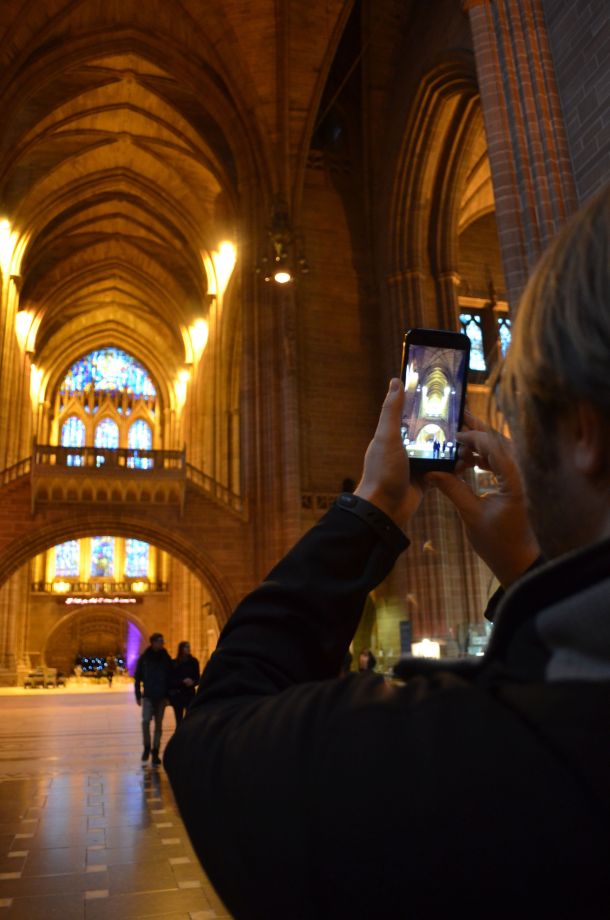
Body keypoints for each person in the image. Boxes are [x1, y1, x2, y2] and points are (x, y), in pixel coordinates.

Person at [165, 187, 610, 918]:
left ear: (585, 432)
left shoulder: (464, 763)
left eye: (520, 399)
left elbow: (213, 735)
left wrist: (372, 508)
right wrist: (534, 572)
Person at [134, 632, 172, 765]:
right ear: (153, 642)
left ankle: (155, 751)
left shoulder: (166, 657)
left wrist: (168, 696)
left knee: (158, 725)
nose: (162, 644)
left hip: (161, 697)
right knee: (145, 722)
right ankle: (147, 747)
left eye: (162, 642)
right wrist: (138, 695)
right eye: (160, 641)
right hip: (148, 696)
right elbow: (137, 677)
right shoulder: (144, 658)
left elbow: (170, 677)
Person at [168, 641, 200, 726]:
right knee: (179, 720)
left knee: (190, 719)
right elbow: (171, 680)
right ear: (181, 649)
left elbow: (197, 677)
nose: (188, 649)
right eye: (186, 647)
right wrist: (182, 681)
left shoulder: (194, 662)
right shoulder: (174, 663)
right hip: (178, 695)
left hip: (189, 694)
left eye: (189, 647)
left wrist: (193, 682)